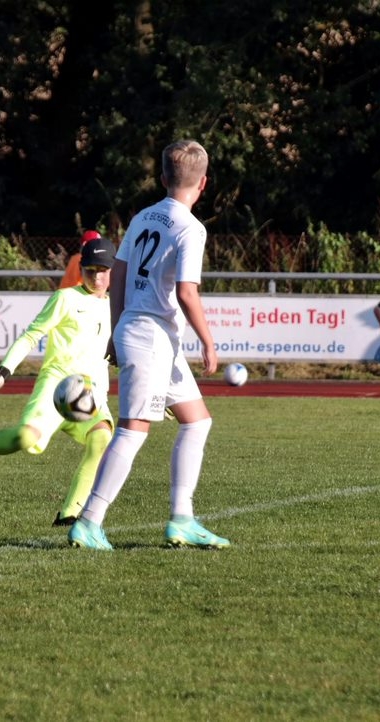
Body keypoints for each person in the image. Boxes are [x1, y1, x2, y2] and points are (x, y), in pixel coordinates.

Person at [68, 139, 229, 551]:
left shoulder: (142, 217)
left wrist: (116, 327)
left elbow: (119, 274)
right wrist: (209, 342)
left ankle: (182, 519)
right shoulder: (191, 227)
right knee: (133, 430)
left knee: (197, 421)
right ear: (204, 183)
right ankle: (89, 521)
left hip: (148, 335)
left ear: (162, 178)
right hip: (151, 338)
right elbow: (187, 292)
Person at [0, 235, 117, 527]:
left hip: (91, 394)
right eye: (90, 270)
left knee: (102, 439)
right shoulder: (65, 298)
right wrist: (2, 373)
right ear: (81, 268)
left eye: (103, 270)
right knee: (25, 438)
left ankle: (69, 514)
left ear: (113, 271)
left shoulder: (118, 307)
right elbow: (30, 336)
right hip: (56, 387)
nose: (97, 277)